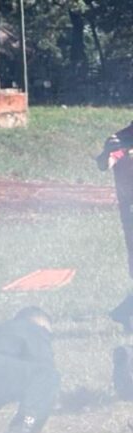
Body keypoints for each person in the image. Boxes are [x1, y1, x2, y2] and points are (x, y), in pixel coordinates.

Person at [97, 121, 133, 330]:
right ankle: (126, 311)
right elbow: (105, 163)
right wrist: (107, 153)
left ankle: (126, 311)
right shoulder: (121, 140)